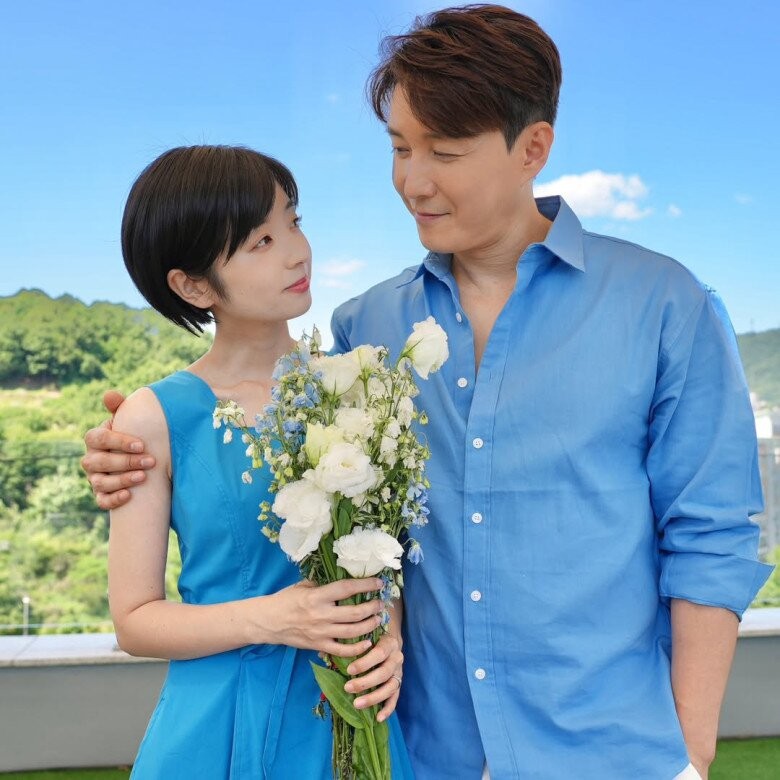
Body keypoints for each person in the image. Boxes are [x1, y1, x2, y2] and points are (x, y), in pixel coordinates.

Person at [83, 6, 772, 780]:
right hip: (423, 748)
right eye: (399, 147)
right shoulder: (365, 332)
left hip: (612, 752)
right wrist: (135, 448)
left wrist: (692, 751)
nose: (413, 181)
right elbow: (350, 521)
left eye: (444, 151)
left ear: (533, 148)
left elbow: (711, 535)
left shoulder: (662, 304)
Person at [99, 145, 413, 779]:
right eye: (260, 242)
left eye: (293, 223)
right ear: (193, 286)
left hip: (350, 712)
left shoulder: (358, 389)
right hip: (218, 720)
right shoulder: (154, 417)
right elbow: (134, 621)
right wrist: (272, 617)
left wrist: (388, 635)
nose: (297, 252)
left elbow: (383, 553)